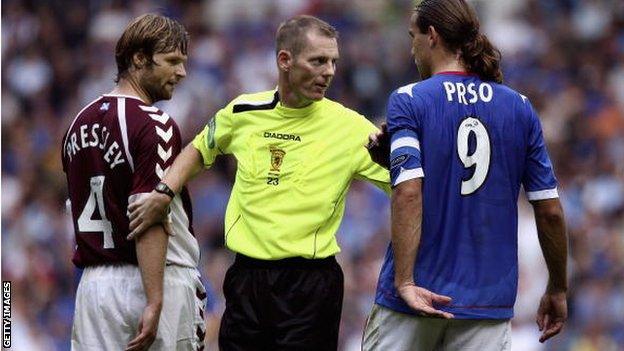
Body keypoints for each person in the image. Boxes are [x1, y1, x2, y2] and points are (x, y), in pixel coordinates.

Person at [127, 15, 390, 351]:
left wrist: (395, 161)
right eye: (318, 61)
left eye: (333, 62)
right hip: (247, 279)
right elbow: (198, 149)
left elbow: (406, 186)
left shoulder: (350, 127)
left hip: (309, 286)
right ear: (285, 60)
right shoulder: (243, 112)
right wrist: (164, 192)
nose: (329, 71)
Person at [362, 1, 568, 350]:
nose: (411, 48)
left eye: (412, 36)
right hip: (486, 305)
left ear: (432, 36)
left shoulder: (410, 100)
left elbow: (410, 191)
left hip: (415, 299)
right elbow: (548, 210)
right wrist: (558, 287)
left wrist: (405, 282)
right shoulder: (519, 107)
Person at [61, 14, 206, 351]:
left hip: (94, 289)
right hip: (155, 278)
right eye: (172, 61)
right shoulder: (155, 124)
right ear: (139, 59)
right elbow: (149, 212)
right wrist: (154, 300)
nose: (181, 73)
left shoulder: (76, 123)